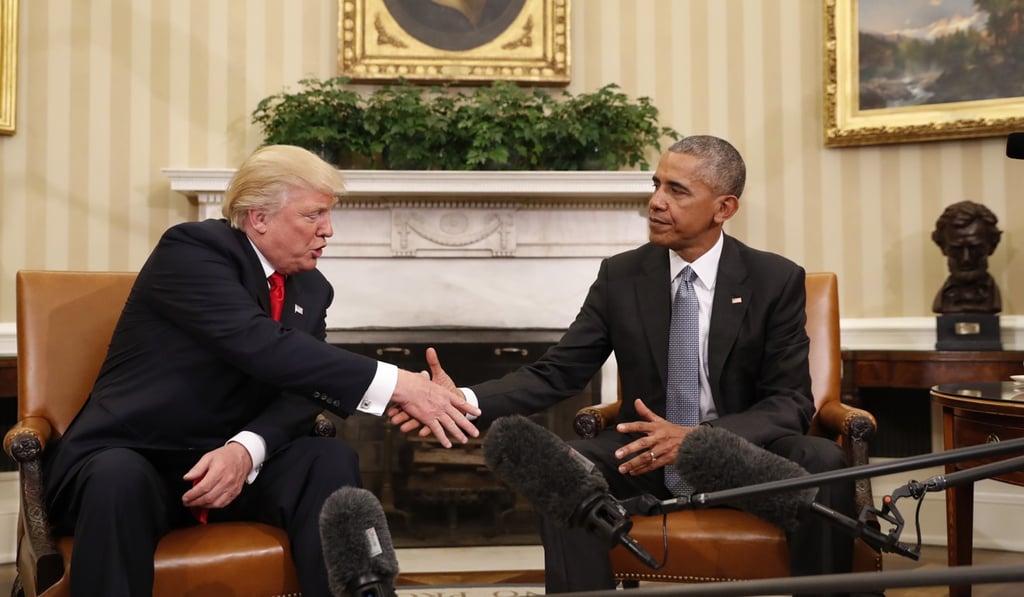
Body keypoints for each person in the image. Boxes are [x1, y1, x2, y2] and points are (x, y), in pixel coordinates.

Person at [390, 135, 855, 594]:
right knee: (562, 468)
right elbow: (558, 372)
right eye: (656, 185)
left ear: (724, 208)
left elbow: (789, 402)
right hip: (644, 457)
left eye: (677, 191)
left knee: (824, 459)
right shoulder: (622, 276)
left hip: (743, 454)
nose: (655, 202)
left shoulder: (774, 279)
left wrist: (699, 440)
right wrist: (460, 400)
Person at [42, 144, 480, 597]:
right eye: (313, 215)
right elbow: (260, 345)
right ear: (259, 217)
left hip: (232, 469)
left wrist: (246, 450)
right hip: (139, 457)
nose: (327, 231)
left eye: (328, 216)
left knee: (329, 460)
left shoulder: (312, 287)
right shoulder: (192, 251)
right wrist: (398, 384)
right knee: (118, 477)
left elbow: (303, 389)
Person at [931, 200, 1002, 314]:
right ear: (942, 247)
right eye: (956, 249)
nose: (966, 258)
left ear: (992, 246)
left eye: (975, 248)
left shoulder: (992, 297)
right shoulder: (943, 300)